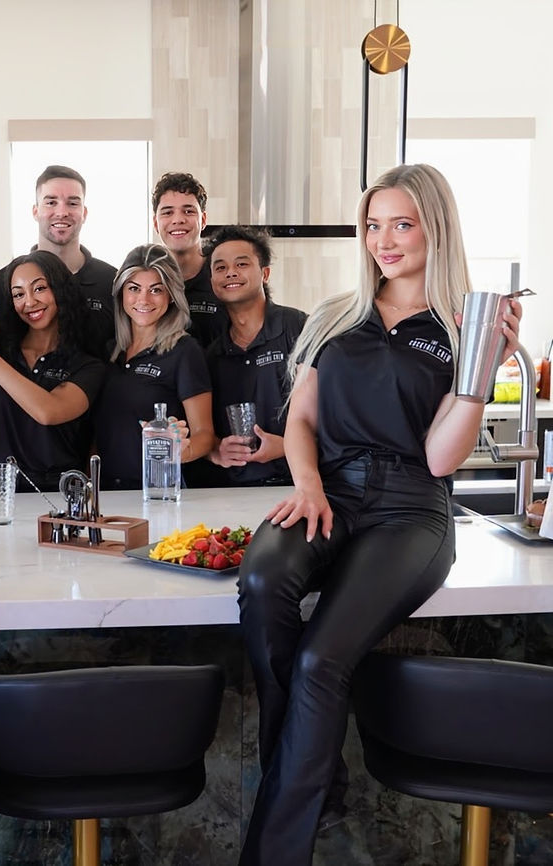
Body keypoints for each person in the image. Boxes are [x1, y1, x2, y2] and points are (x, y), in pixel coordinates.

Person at [236, 164, 522, 866]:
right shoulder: (339, 314)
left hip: (408, 510)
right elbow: (300, 419)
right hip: (327, 490)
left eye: (402, 223)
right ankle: (315, 778)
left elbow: (439, 461)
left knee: (319, 659)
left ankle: (274, 852)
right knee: (261, 585)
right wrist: (306, 485)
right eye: (373, 225)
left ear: (435, 226)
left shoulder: (460, 325)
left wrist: (480, 374)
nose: (384, 240)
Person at [0, 249, 105, 491]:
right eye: (18, 294)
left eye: (39, 288)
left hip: (57, 493)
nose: (29, 302)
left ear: (61, 289)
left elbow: (48, 411)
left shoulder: (87, 365)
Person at [93, 243, 214, 489]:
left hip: (159, 489)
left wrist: (182, 451)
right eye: (134, 289)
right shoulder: (107, 351)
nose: (143, 299)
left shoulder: (184, 351)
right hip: (105, 491)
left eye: (156, 290)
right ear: (121, 293)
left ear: (171, 296)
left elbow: (205, 435)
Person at [200, 226, 307, 486]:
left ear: (265, 273)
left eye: (242, 264)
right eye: (220, 268)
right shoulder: (212, 354)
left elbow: (334, 410)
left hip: (298, 484)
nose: (231, 273)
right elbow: (206, 431)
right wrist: (216, 451)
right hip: (235, 492)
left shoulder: (297, 326)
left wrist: (285, 446)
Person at [0, 165, 117, 359]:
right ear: (35, 211)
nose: (62, 212)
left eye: (72, 203)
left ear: (84, 213)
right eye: (51, 202)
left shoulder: (112, 282)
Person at [151, 171, 228, 348]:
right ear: (156, 223)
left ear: (203, 219)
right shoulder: (146, 280)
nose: (178, 220)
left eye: (188, 211)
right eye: (168, 212)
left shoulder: (226, 275)